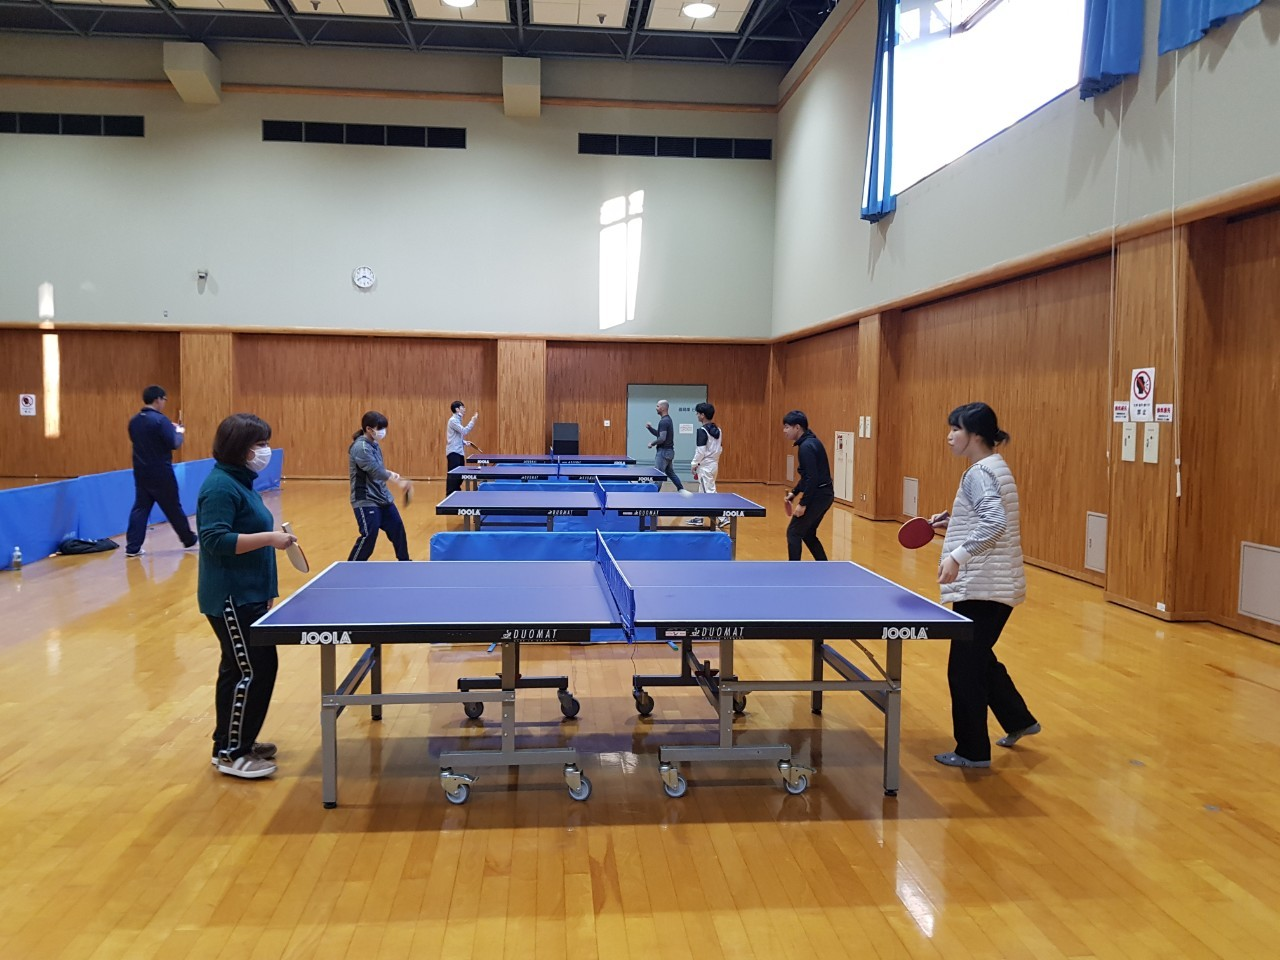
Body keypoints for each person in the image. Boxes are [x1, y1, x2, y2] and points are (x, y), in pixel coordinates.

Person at [931, 402, 1039, 769]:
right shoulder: (995, 466)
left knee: (964, 670)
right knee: (978, 658)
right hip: (995, 583)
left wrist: (956, 556)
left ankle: (972, 752)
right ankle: (1019, 719)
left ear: (975, 435)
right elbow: (988, 516)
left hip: (983, 587)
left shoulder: (978, 473)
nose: (949, 437)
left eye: (956, 429)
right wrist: (955, 523)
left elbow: (994, 523)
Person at [197, 413, 295, 779]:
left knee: (240, 668)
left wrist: (266, 591)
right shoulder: (220, 487)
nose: (265, 450)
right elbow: (214, 539)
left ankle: (231, 742)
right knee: (252, 670)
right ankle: (232, 754)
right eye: (260, 444)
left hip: (249, 594)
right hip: (231, 597)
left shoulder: (240, 481)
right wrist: (271, 538)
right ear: (240, 447)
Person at [125, 384, 197, 557]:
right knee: (173, 507)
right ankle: (188, 539)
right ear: (158, 399)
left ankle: (132, 547)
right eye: (164, 399)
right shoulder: (160, 420)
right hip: (161, 472)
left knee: (141, 508)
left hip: (141, 471)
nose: (164, 402)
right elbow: (174, 443)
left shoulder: (134, 421)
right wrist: (179, 432)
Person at [348, 411, 410, 561]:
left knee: (397, 529)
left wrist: (391, 473)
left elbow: (377, 468)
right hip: (366, 499)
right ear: (369, 429)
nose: (383, 432)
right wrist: (399, 482)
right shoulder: (361, 447)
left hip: (382, 497)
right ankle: (351, 567)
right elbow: (375, 471)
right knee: (369, 535)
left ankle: (405, 562)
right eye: (380, 428)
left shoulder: (374, 445)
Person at [781, 410, 833, 560]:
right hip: (826, 495)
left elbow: (812, 478)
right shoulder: (811, 442)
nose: (784, 431)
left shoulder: (806, 447)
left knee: (793, 532)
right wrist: (794, 492)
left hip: (819, 496)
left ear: (797, 427)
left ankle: (795, 570)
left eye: (787, 427)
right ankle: (824, 566)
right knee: (808, 533)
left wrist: (803, 504)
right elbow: (807, 477)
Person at [686, 402, 724, 526]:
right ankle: (699, 517)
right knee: (702, 491)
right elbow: (720, 448)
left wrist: (694, 464)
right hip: (714, 465)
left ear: (702, 415)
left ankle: (723, 517)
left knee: (709, 492)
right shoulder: (718, 430)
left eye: (698, 413)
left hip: (705, 467)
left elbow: (700, 451)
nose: (697, 415)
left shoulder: (701, 431)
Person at [646, 399, 688, 494]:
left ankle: (653, 495)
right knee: (670, 473)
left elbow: (662, 438)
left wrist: (652, 444)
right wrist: (650, 428)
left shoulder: (664, 421)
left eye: (657, 406)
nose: (656, 408)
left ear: (663, 408)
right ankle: (681, 489)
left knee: (658, 475)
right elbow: (659, 434)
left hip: (663, 452)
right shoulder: (667, 420)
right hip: (669, 452)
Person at [445, 400, 479, 496]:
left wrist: (464, 442)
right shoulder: (453, 420)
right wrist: (473, 421)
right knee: (454, 476)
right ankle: (450, 494)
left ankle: (456, 493)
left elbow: (456, 436)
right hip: (453, 452)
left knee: (459, 476)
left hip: (459, 452)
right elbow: (464, 431)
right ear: (457, 409)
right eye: (462, 407)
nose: (464, 409)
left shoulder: (458, 420)